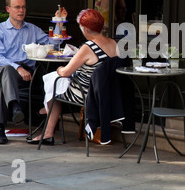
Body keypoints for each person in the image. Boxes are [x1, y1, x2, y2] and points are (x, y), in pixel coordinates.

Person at [26, 8, 118, 145]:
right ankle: (46, 110)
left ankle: (48, 132)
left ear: (86, 29)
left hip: (87, 94)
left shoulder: (88, 47)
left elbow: (66, 72)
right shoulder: (114, 43)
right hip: (109, 93)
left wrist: (60, 69)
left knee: (55, 84)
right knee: (57, 82)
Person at [0, 0, 52, 144]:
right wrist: (17, 68)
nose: (21, 10)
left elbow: (52, 45)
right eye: (17, 7)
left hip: (26, 74)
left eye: (23, 7)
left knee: (6, 84)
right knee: (7, 72)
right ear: (8, 9)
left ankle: (1, 127)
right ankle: (15, 106)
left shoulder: (33, 30)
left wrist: (59, 24)